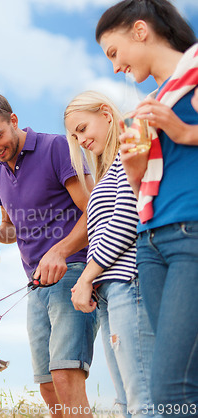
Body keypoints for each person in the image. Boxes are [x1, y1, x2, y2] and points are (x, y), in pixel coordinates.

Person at [97, 0, 198, 414]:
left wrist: (184, 131)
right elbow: (144, 185)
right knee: (179, 380)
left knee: (170, 387)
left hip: (189, 236)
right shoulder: (149, 103)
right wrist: (135, 166)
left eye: (114, 53)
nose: (115, 67)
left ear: (140, 31)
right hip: (151, 242)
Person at [0, 93, 97, 418]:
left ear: (14, 121)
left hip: (74, 272)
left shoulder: (56, 148)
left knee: (66, 373)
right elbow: (11, 231)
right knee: (47, 384)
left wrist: (60, 250)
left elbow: (95, 208)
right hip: (35, 285)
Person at [64, 91, 156, 417]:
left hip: (129, 283)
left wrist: (86, 276)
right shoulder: (106, 171)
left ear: (106, 113)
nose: (81, 140)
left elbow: (126, 220)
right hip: (109, 291)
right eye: (75, 136)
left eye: (83, 128)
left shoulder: (126, 157)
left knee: (142, 395)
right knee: (125, 400)